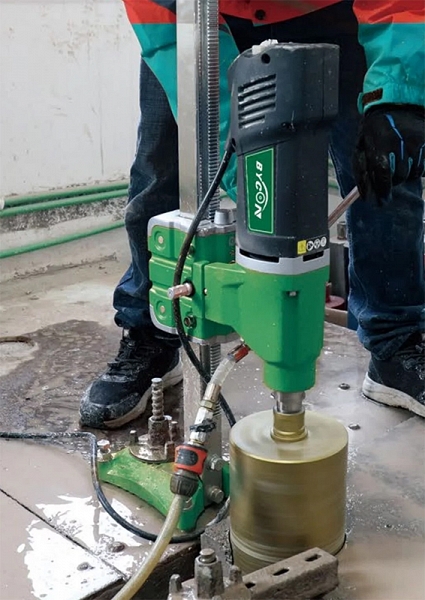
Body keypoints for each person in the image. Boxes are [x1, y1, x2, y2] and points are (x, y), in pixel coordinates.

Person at [80, 0, 425, 429]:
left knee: (386, 167)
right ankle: (153, 332)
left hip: (335, 14)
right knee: (162, 169)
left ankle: (396, 344)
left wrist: (398, 94)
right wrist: (245, 164)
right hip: (194, 19)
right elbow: (158, 10)